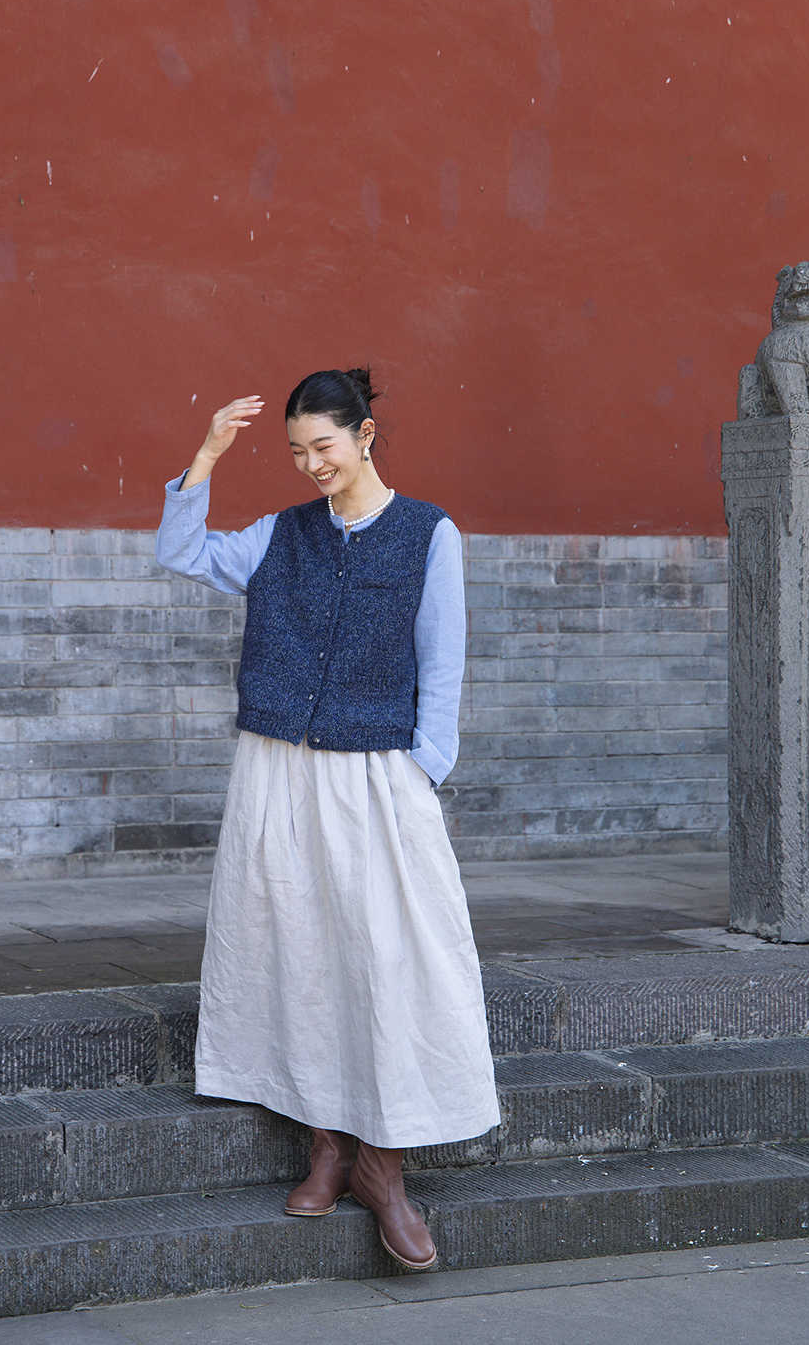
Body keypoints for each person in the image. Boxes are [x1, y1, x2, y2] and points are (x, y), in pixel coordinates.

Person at [155, 368, 500, 1271]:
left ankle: (385, 1166)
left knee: (390, 958)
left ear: (365, 434)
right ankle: (326, 1145)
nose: (312, 464)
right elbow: (182, 553)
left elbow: (444, 660)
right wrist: (208, 455)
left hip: (379, 776)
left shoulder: (429, 533)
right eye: (297, 450)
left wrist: (424, 770)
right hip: (278, 772)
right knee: (299, 952)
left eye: (325, 445)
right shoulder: (280, 534)